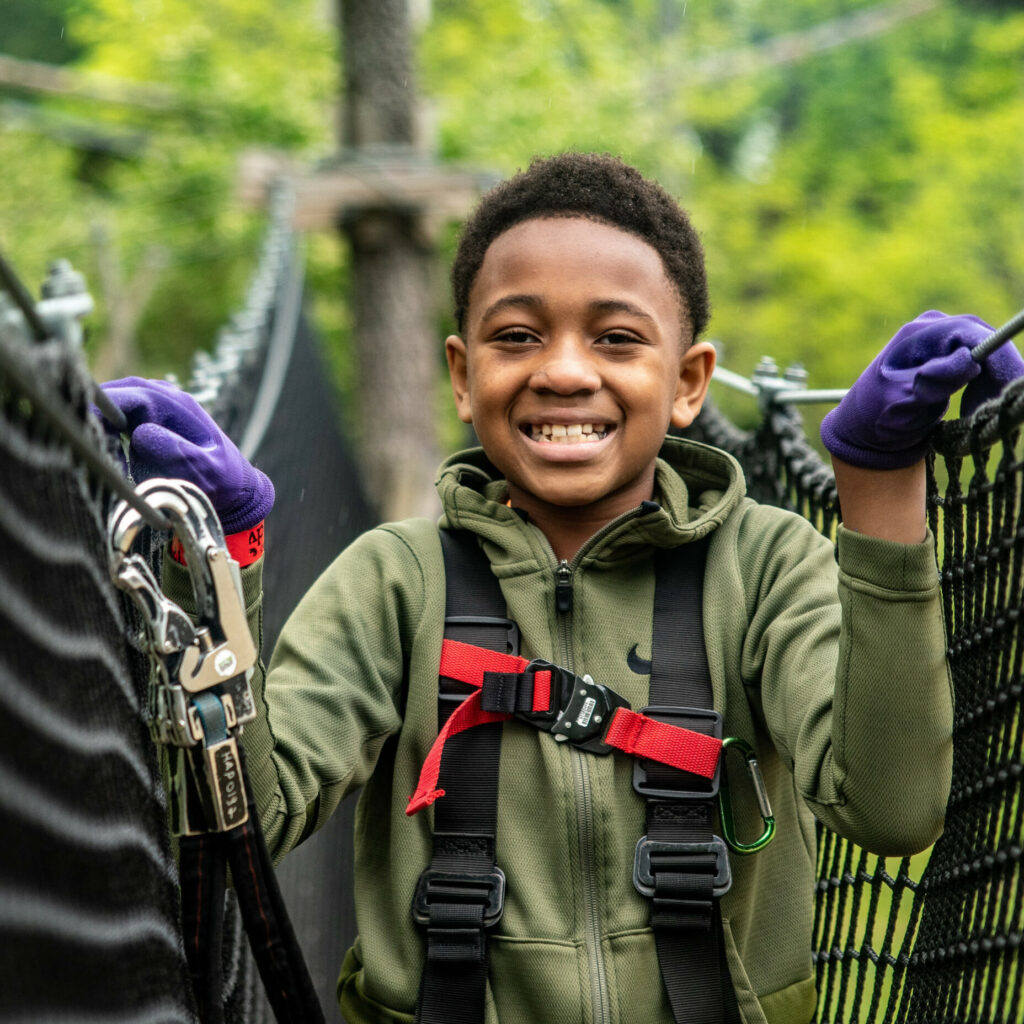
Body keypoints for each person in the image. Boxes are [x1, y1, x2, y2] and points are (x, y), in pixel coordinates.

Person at [99, 153, 1024, 1024]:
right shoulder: (395, 582)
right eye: (518, 336)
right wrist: (215, 562)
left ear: (690, 381)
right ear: (463, 377)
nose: (566, 370)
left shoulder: (766, 566)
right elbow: (236, 826)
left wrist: (877, 492)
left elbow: (894, 810)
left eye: (618, 338)